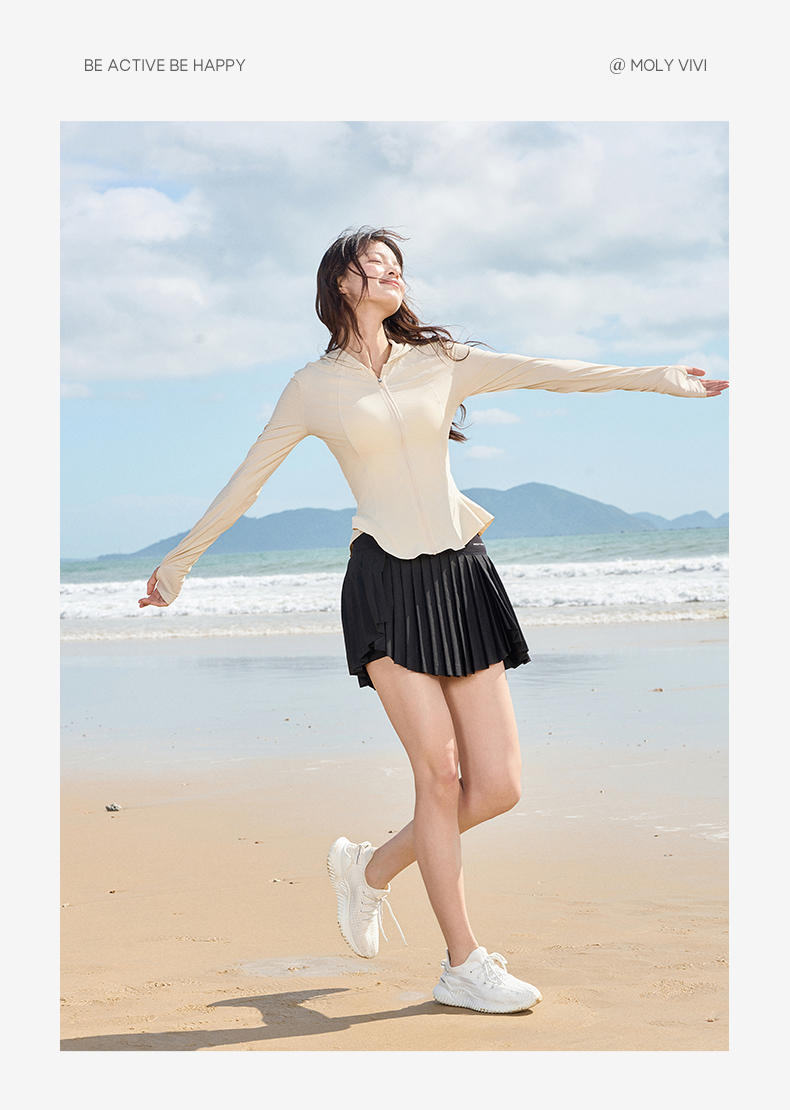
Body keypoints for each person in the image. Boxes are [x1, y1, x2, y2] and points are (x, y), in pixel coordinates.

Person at [139, 226, 728, 1014]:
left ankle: (370, 868)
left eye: (397, 266)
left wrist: (661, 379)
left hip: (460, 576)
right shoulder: (313, 387)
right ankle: (462, 963)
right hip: (383, 581)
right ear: (340, 284)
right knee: (439, 777)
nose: (391, 274)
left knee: (499, 786)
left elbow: (552, 373)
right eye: (374, 264)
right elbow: (248, 479)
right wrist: (177, 566)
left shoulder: (441, 360)